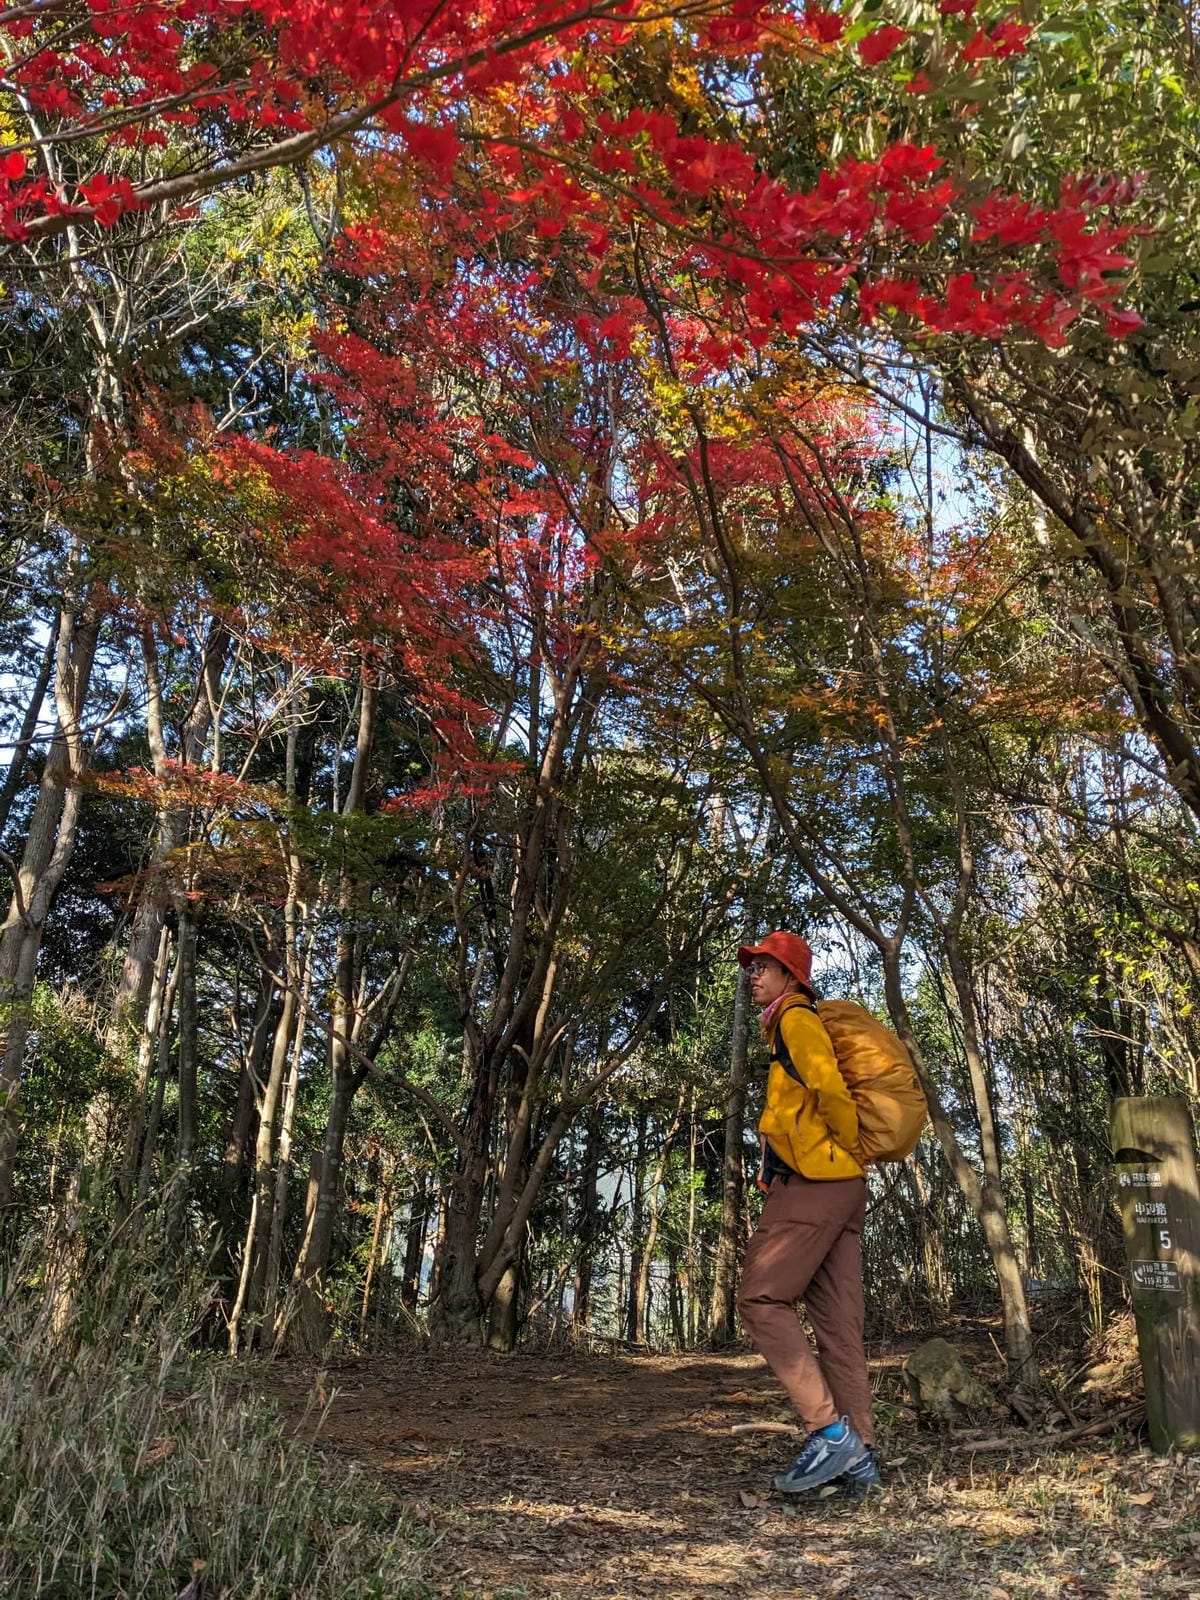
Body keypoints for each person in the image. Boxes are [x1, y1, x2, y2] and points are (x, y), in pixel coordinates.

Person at [734, 930, 881, 1496]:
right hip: (840, 1184)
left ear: (793, 976)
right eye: (752, 967)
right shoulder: (786, 1025)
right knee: (838, 1323)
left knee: (761, 1298)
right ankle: (860, 1457)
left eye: (765, 966)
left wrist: (847, 1148)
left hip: (819, 1182)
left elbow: (830, 1089)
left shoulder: (795, 1018)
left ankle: (829, 1432)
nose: (754, 975)